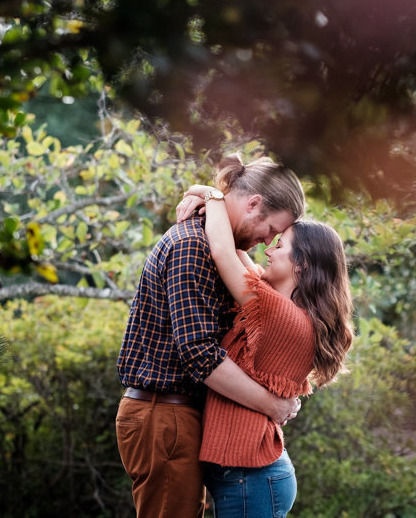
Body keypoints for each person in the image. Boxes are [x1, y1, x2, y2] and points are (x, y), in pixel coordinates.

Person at [115, 154, 306, 518]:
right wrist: (270, 404)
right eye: (270, 229)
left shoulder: (216, 245)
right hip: (164, 415)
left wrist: (208, 193)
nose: (267, 242)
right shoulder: (194, 246)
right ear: (254, 204)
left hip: (176, 416)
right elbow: (199, 354)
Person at [176, 183, 354, 518]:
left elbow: (224, 253)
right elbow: (237, 253)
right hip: (249, 477)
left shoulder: (280, 315)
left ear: (300, 265)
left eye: (279, 244)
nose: (268, 250)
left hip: (250, 479)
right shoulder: (282, 309)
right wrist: (222, 205)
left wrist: (211, 194)